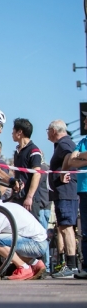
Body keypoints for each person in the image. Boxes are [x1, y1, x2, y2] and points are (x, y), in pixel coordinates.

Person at [47, 119, 79, 278]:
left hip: (66, 193)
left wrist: (64, 172)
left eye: (48, 130)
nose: (47, 133)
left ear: (54, 131)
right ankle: (69, 265)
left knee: (66, 227)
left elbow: (70, 156)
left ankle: (71, 267)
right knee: (64, 227)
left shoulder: (64, 143)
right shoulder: (63, 144)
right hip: (64, 193)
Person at [62, 113, 87, 279]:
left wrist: (81, 157)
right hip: (83, 191)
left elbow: (77, 158)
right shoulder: (83, 141)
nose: (84, 121)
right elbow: (71, 160)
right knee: (85, 232)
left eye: (86, 119)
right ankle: (86, 267)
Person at [11, 118, 43, 211]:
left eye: (13, 130)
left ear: (19, 132)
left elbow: (37, 174)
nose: (12, 133)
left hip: (29, 200)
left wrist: (29, 197)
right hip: (18, 197)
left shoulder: (34, 151)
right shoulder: (17, 152)